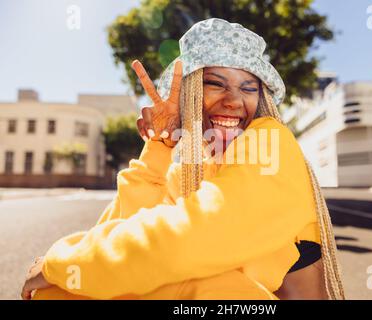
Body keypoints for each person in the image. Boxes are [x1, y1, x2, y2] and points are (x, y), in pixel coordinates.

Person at [22, 18, 345, 300]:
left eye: (248, 88)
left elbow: (202, 235)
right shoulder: (191, 172)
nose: (234, 101)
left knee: (64, 286)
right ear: (188, 94)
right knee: (69, 289)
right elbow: (123, 231)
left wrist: (63, 264)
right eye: (215, 84)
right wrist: (159, 145)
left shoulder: (270, 140)